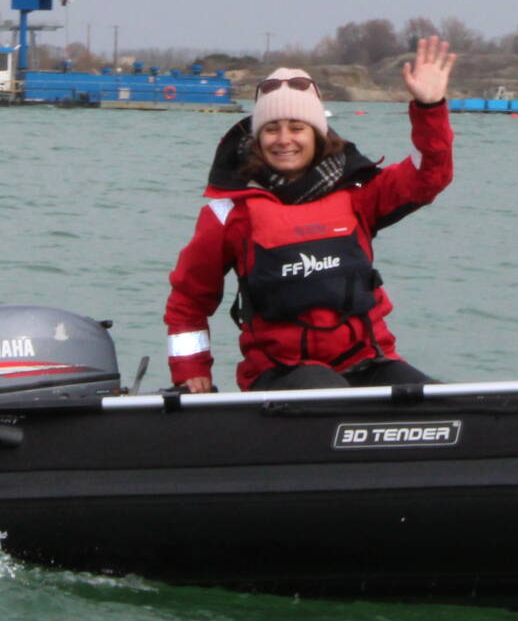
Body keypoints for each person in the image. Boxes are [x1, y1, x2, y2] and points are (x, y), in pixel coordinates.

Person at [164, 36, 456, 392]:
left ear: (318, 135)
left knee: (434, 396)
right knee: (324, 386)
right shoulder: (228, 213)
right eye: (272, 129)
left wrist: (430, 108)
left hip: (368, 362)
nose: (284, 139)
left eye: (297, 128)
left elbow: (431, 176)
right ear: (258, 139)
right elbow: (188, 301)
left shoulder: (360, 194)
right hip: (280, 374)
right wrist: (191, 371)